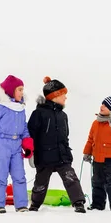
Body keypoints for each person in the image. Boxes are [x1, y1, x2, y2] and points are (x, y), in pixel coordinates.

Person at [27, 76, 86, 213]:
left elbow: (65, 136)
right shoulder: (38, 114)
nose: (65, 98)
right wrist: (31, 151)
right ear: (54, 96)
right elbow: (31, 134)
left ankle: (78, 203)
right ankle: (35, 205)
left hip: (62, 155)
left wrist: (67, 152)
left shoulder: (63, 115)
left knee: (71, 178)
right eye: (63, 95)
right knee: (40, 183)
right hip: (44, 156)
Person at [0, 75, 34, 214]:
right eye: (19, 89)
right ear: (11, 91)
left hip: (16, 145)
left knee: (19, 175)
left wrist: (27, 144)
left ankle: (21, 204)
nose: (22, 92)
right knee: (1, 175)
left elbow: (24, 128)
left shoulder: (21, 108)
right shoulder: (0, 108)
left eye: (23, 89)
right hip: (2, 144)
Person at [82, 95, 111, 212]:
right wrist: (87, 152)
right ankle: (97, 204)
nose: (102, 106)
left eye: (106, 106)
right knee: (97, 182)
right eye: (102, 104)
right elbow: (90, 139)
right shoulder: (96, 123)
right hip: (97, 158)